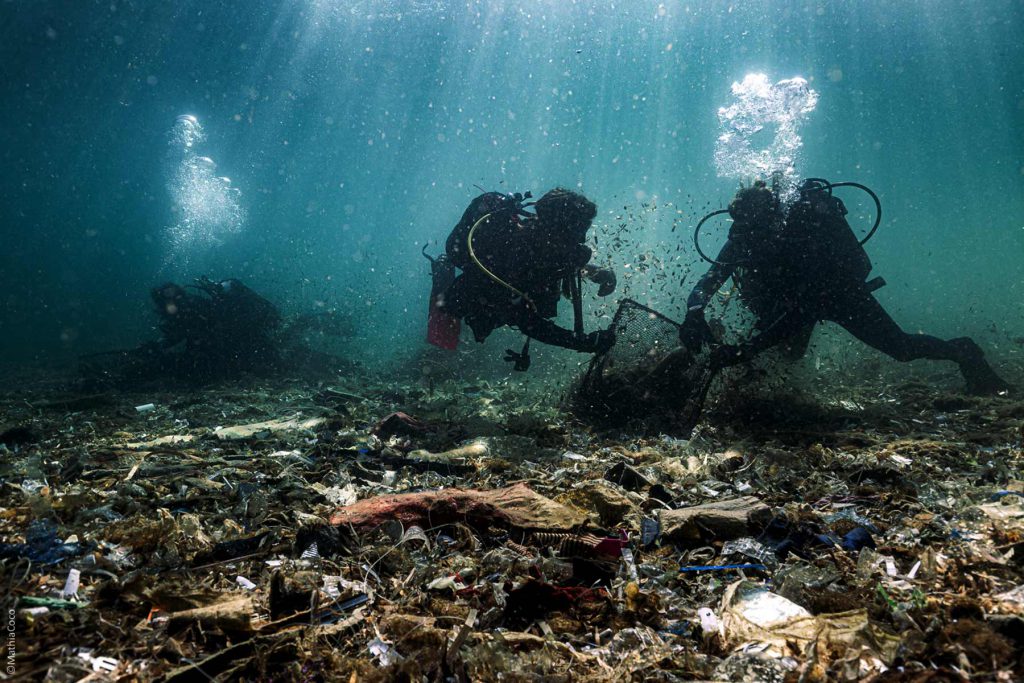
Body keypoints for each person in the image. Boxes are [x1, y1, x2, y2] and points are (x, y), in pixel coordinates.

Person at [679, 178, 1010, 395]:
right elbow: (710, 280)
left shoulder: (803, 235)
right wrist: (694, 311)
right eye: (742, 223)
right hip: (793, 306)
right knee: (786, 355)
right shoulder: (744, 239)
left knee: (902, 349)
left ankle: (964, 352)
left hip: (839, 295)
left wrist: (747, 349)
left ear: (774, 219)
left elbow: (802, 311)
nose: (748, 233)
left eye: (756, 225)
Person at [429, 188, 616, 368]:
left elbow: (555, 262)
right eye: (578, 231)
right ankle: (442, 279)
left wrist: (595, 272)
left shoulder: (544, 240)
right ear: (556, 229)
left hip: (508, 299)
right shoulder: (512, 256)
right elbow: (529, 324)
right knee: (455, 319)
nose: (582, 239)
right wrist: (584, 342)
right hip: (479, 300)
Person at [150, 276, 282, 378]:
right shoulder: (187, 306)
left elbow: (206, 326)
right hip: (232, 340)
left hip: (230, 340)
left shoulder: (189, 306)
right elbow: (180, 334)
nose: (173, 302)